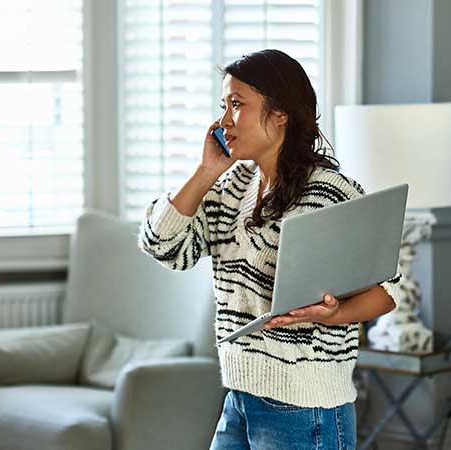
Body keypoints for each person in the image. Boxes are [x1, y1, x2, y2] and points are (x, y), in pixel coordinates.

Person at [137, 48, 402, 450]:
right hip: (241, 397)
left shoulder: (333, 194)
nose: (224, 121)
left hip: (306, 408)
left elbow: (387, 292)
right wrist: (207, 171)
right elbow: (162, 245)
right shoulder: (233, 187)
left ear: (281, 114)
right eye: (224, 105)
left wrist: (336, 314)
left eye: (237, 105)